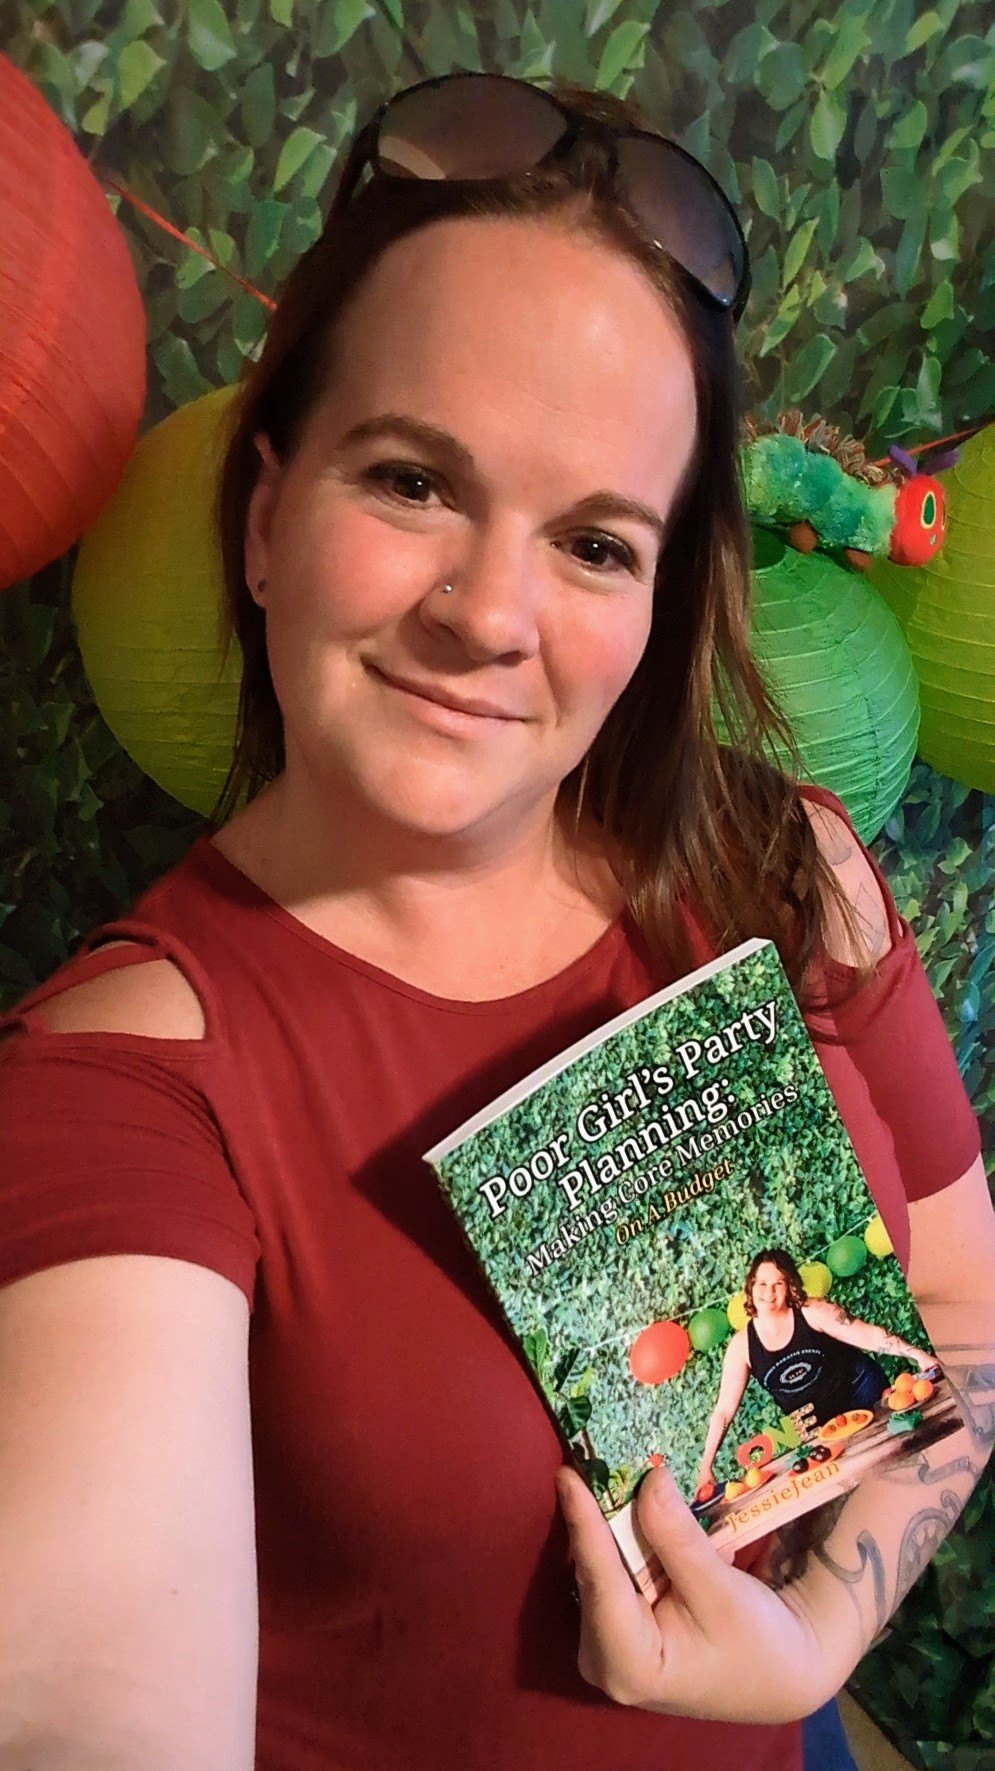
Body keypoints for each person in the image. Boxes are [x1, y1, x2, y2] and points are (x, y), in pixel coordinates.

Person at [0, 70, 992, 1771]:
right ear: (265, 519)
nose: (487, 612)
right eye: (412, 482)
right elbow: (93, 1698)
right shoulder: (125, 1087)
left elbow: (963, 1306)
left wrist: (809, 1643)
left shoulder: (782, 867)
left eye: (595, 543)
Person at [696, 1247, 936, 1491]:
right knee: (852, 1486)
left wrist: (917, 1354)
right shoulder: (741, 1346)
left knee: (898, 1459)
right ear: (750, 1286)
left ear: (790, 1285)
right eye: (762, 1284)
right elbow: (724, 1410)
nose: (769, 1293)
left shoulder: (813, 1312)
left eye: (778, 1283)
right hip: (819, 1426)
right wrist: (705, 1468)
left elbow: (867, 1335)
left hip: (863, 1392)